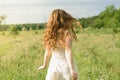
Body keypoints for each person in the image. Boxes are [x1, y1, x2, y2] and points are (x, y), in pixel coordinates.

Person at [38, 9, 82, 80]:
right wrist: (72, 69)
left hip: (54, 66)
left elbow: (47, 52)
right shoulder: (67, 33)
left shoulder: (50, 34)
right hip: (66, 65)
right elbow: (68, 50)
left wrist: (44, 65)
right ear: (64, 19)